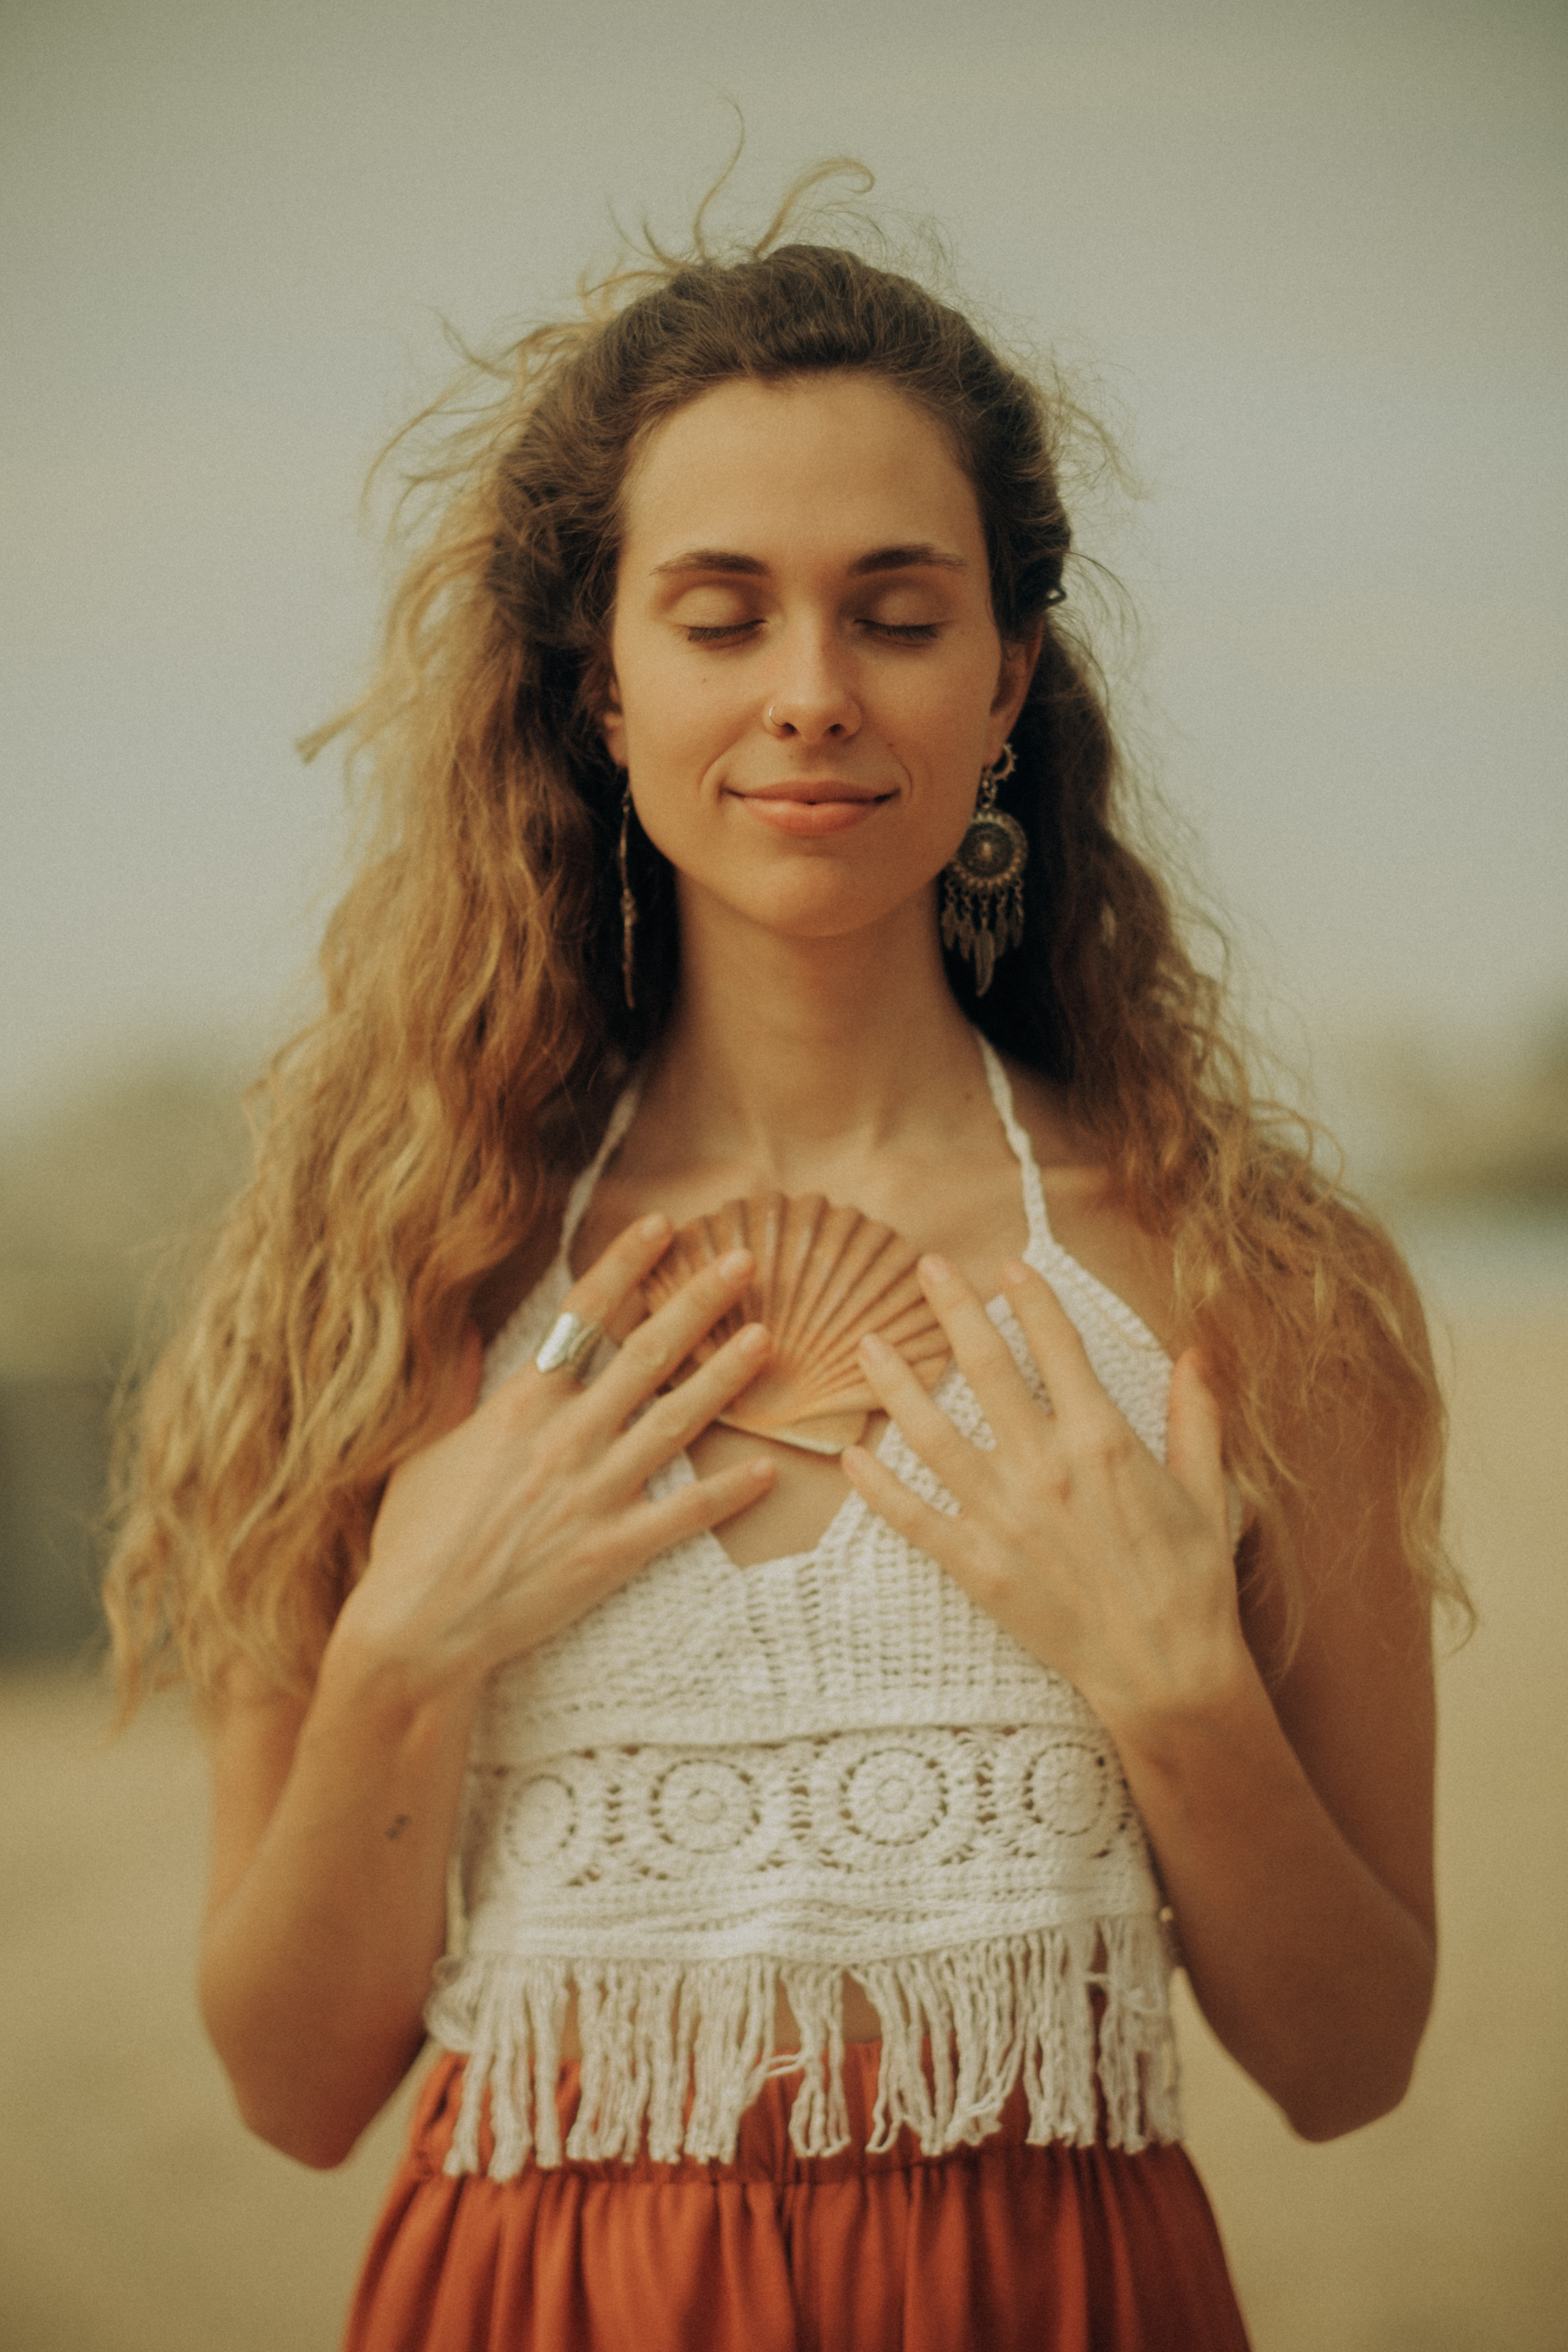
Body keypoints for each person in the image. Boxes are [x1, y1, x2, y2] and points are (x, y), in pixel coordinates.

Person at [105, 173, 1461, 2351]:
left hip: (1054, 2298)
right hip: (533, 2299)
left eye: (898, 615)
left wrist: (1170, 1676)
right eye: (721, 614)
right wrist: (407, 1655)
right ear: (605, 692)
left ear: (1008, 677)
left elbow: (1351, 2059)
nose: (812, 691)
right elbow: (288, 2087)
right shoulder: (382, 1275)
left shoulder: (1247, 1281)